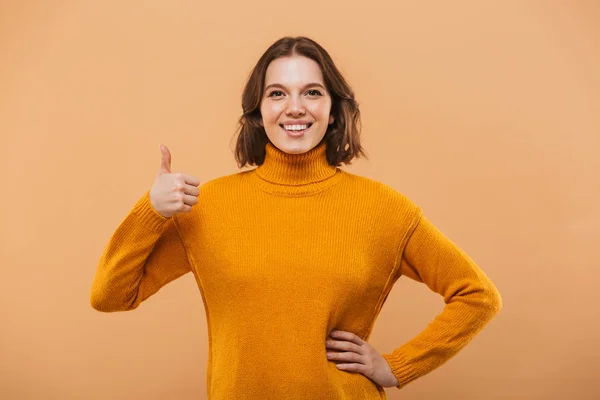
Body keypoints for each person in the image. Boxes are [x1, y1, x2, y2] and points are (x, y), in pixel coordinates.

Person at [90, 36, 502, 399]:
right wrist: (151, 211)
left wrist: (398, 366)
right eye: (277, 94)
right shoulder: (207, 206)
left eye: (311, 92)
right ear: (257, 111)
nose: (295, 108)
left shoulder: (384, 209)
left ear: (334, 110)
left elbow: (477, 295)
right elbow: (110, 297)